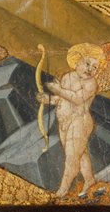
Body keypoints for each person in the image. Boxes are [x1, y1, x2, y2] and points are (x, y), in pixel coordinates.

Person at [40, 44, 102, 197]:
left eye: (95, 67)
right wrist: (48, 99)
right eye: (87, 64)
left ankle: (62, 191)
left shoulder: (91, 84)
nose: (90, 69)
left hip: (80, 121)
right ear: (77, 62)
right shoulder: (67, 77)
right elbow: (62, 99)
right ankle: (89, 180)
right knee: (80, 154)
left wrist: (57, 89)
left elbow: (77, 99)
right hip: (64, 122)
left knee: (72, 157)